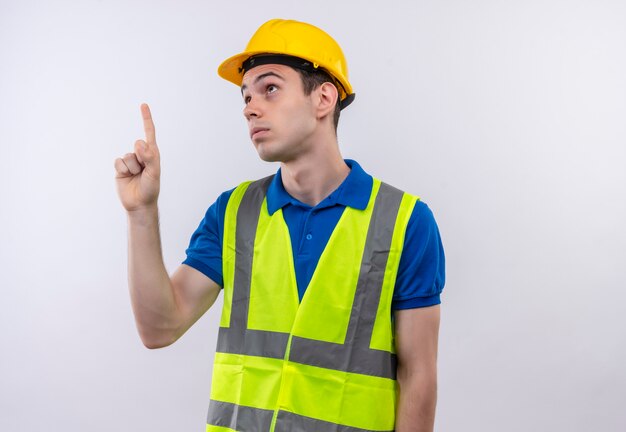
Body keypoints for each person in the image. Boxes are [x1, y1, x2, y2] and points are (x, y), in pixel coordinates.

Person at [114, 18, 445, 432]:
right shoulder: (233, 212)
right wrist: (140, 212)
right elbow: (159, 328)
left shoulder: (405, 222)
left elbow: (419, 377)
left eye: (270, 88)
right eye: (246, 96)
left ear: (324, 97)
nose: (251, 107)